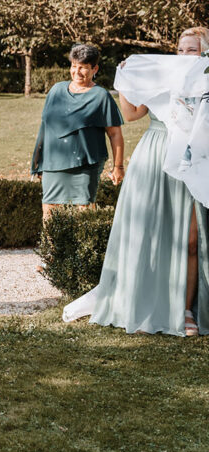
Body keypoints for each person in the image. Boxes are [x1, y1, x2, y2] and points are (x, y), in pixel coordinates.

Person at [64, 28, 209, 336]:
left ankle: (185, 309)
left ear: (205, 54)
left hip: (195, 161)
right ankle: (144, 307)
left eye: (192, 50)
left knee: (192, 241)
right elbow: (130, 115)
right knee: (150, 234)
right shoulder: (162, 78)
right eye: (180, 50)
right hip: (155, 157)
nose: (184, 56)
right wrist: (125, 82)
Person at [31, 43, 125, 219]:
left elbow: (115, 134)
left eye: (83, 68)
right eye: (74, 66)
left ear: (94, 68)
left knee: (85, 208)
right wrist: (38, 160)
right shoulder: (56, 90)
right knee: (49, 208)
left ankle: (83, 246)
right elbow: (45, 126)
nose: (77, 72)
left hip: (85, 164)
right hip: (53, 161)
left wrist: (118, 166)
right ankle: (51, 247)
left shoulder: (101, 96)